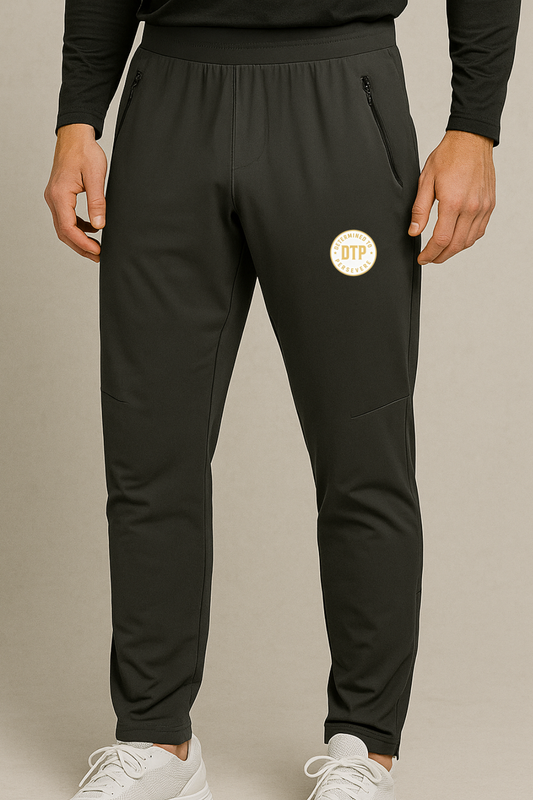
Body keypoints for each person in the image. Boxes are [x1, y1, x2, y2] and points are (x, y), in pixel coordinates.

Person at [44, 2, 521, 799]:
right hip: (168, 104)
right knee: (148, 449)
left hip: (338, 95)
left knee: (362, 448)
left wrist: (474, 124)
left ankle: (363, 746)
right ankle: (157, 738)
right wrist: (76, 119)